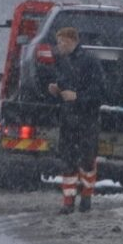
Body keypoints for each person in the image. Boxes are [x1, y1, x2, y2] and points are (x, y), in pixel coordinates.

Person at [43, 27, 105, 214]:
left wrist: (78, 97)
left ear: (72, 41)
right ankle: (68, 201)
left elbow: (100, 92)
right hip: (68, 118)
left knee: (87, 161)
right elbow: (65, 85)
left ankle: (86, 198)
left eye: (62, 42)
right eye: (58, 42)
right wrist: (57, 89)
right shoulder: (63, 61)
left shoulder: (90, 61)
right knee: (68, 160)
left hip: (87, 119)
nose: (59, 46)